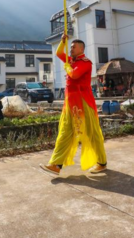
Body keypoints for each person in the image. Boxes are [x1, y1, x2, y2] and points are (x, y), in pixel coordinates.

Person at [40, 34, 107, 175]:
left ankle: (101, 162)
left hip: (83, 101)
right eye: (70, 47)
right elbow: (59, 53)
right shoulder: (71, 60)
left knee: (92, 132)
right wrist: (62, 42)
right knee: (65, 132)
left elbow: (74, 75)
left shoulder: (85, 62)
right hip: (70, 101)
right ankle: (56, 164)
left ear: (81, 49)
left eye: (73, 47)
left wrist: (67, 66)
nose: (70, 49)